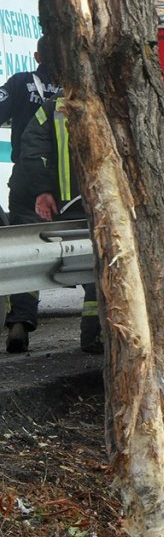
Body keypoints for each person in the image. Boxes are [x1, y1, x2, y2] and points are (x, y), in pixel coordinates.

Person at [21, 96, 101, 353]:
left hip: (67, 206)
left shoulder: (52, 108)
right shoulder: (108, 99)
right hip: (98, 204)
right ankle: (93, 337)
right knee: (99, 271)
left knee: (35, 265)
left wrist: (43, 190)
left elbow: (32, 150)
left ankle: (19, 323)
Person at [1, 35, 64, 353]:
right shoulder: (81, 91)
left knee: (26, 252)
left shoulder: (19, 82)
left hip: (27, 181)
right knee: (88, 251)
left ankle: (19, 323)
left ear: (37, 55)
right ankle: (95, 332)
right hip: (73, 186)